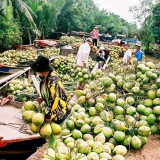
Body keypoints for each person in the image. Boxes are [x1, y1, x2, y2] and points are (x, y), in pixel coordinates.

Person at [29, 55, 71, 123]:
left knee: (54, 129)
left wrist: (48, 115)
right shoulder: (44, 78)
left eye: (38, 70)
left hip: (61, 111)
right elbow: (49, 93)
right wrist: (43, 98)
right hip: (53, 109)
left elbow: (55, 99)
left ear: (41, 70)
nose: (37, 72)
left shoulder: (53, 80)